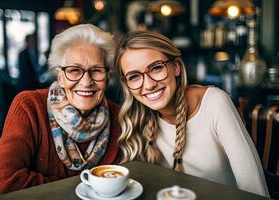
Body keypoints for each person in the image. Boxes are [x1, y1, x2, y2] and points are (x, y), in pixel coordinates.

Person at [114, 31, 269, 197]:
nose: (149, 84)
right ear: (127, 84)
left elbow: (254, 190)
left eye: (156, 68)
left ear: (176, 67)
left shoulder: (214, 103)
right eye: (134, 77)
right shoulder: (139, 118)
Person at [0, 24, 121, 199]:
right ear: (59, 76)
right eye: (74, 71)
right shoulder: (29, 106)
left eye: (97, 71)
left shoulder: (118, 116)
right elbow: (0, 186)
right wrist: (87, 189)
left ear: (108, 77)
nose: (86, 82)